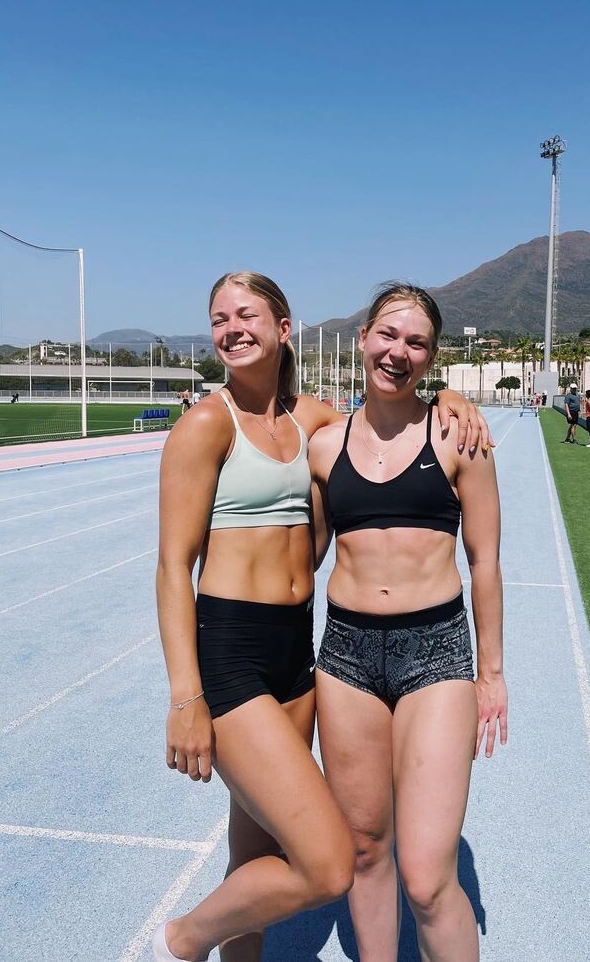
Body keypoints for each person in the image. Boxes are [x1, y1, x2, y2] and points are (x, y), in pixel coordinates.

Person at [154, 272, 490, 962]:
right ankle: (182, 940)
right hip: (233, 649)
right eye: (219, 319)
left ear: (284, 330)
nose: (231, 329)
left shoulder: (313, 421)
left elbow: (392, 413)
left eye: (246, 315)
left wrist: (450, 398)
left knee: (254, 847)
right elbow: (170, 566)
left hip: (297, 650)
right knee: (328, 861)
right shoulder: (205, 424)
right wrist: (185, 695)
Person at [309, 283, 507, 962]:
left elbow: (485, 561)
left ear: (432, 355)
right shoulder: (323, 445)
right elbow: (303, 555)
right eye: (388, 335)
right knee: (366, 851)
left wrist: (492, 673)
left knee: (425, 877)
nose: (399, 352)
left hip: (436, 654)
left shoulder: (459, 437)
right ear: (363, 338)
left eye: (416, 342)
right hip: (345, 658)